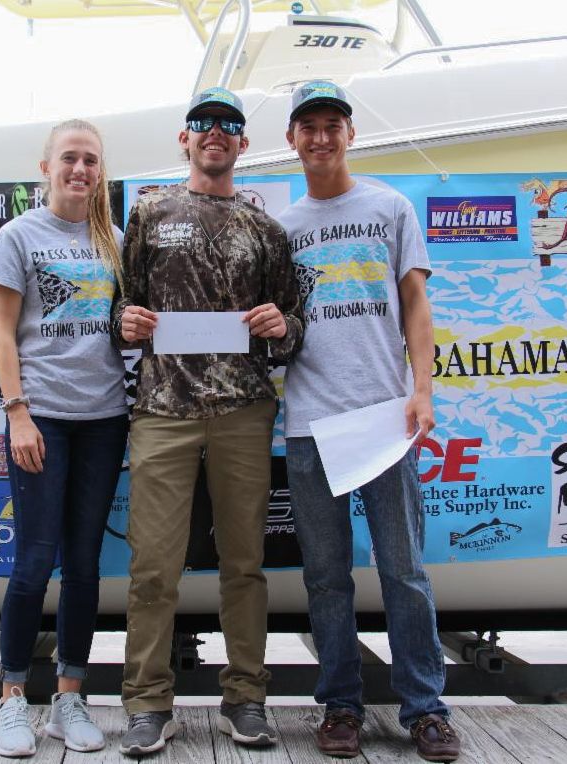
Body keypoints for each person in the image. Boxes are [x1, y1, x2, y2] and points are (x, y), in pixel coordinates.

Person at [114, 87, 303, 756]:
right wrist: (125, 322)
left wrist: (282, 325)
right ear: (185, 138)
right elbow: (120, 310)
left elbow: (293, 324)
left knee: (244, 563)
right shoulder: (148, 212)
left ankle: (246, 698)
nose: (214, 132)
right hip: (161, 413)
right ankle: (147, 703)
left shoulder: (265, 230)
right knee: (152, 566)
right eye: (203, 122)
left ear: (243, 143)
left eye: (228, 124)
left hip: (243, 413)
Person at [279, 81, 462, 762]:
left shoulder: (390, 206)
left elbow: (416, 305)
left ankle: (426, 708)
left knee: (404, 570)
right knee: (326, 579)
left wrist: (422, 391)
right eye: (308, 127)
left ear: (350, 134)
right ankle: (340, 707)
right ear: (292, 140)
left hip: (386, 418)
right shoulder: (282, 229)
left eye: (333, 124)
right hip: (309, 426)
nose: (321, 137)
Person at [0, 119, 129, 757]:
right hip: (40, 419)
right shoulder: (18, 235)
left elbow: (123, 326)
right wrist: (18, 414)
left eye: (91, 160)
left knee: (85, 564)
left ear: (101, 171)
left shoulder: (117, 241)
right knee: (35, 561)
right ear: (46, 167)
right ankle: (13, 698)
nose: (80, 169)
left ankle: (69, 698)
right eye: (69, 158)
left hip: (105, 419)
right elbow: (2, 331)